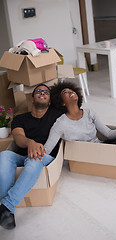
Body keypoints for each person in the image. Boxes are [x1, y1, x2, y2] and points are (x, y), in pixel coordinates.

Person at [0, 83, 62, 230]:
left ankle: (6, 205)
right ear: (32, 98)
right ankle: (6, 210)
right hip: (22, 155)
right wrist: (30, 143)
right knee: (4, 155)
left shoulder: (56, 115)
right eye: (38, 91)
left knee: (35, 160)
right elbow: (18, 137)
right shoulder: (20, 119)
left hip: (45, 157)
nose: (42, 93)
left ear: (50, 100)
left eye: (46, 92)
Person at [44, 81, 116, 156]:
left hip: (104, 146)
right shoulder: (60, 124)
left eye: (71, 90)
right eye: (66, 92)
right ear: (62, 102)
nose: (71, 92)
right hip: (96, 153)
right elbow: (48, 148)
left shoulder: (89, 113)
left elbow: (108, 134)